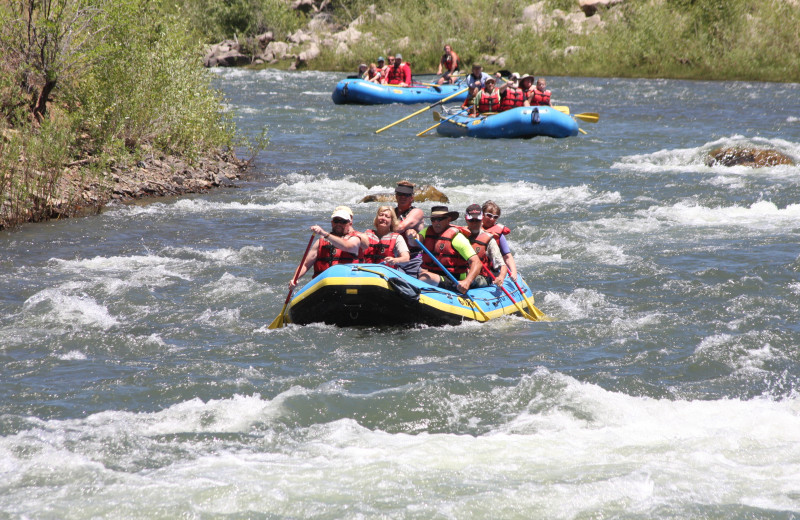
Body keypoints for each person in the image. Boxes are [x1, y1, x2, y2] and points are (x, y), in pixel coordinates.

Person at [290, 206, 365, 289]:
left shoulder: (355, 239)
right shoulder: (320, 242)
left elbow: (347, 246)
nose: (339, 224)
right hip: (325, 286)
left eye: (343, 221)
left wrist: (325, 234)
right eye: (336, 221)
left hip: (349, 284)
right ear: (332, 222)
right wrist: (295, 279)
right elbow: (305, 265)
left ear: (350, 224)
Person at [417, 206, 482, 294]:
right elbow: (415, 242)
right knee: (423, 274)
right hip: (436, 275)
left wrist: (467, 281)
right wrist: (411, 234)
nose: (436, 222)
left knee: (425, 277)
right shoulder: (426, 232)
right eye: (433, 219)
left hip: (455, 279)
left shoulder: (457, 238)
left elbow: (477, 263)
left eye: (440, 219)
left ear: (448, 220)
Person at [460, 204, 507, 288]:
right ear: (466, 219)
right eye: (471, 220)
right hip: (462, 274)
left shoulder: (489, 240)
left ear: (481, 219)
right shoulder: (459, 235)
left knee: (468, 278)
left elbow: (502, 265)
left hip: (482, 278)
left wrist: (501, 277)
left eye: (477, 220)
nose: (474, 223)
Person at [392, 180, 425, 277]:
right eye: (400, 194)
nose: (403, 197)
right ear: (396, 196)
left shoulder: (417, 212)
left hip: (413, 258)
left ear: (412, 198)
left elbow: (400, 227)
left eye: (406, 195)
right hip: (395, 257)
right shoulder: (391, 212)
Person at [481, 200, 518, 280]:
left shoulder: (498, 234)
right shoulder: (472, 228)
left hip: (491, 270)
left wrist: (514, 272)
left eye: (495, 217)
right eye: (489, 215)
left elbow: (507, 256)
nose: (491, 219)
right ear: (482, 214)